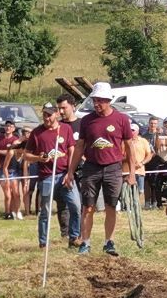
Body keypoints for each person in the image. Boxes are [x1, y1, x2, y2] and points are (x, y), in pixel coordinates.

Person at [64, 81, 137, 256]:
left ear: (108, 100)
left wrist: (132, 173)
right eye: (94, 100)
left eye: (100, 100)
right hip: (91, 168)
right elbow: (80, 147)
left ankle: (109, 242)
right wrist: (70, 171)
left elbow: (129, 147)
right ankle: (85, 243)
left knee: (111, 206)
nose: (96, 104)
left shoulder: (121, 119)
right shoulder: (87, 121)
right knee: (88, 207)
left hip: (113, 168)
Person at [23, 103, 81, 249]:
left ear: (56, 114)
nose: (46, 118)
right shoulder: (37, 132)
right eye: (44, 115)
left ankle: (74, 237)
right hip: (47, 177)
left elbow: (71, 150)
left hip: (65, 175)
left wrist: (70, 172)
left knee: (75, 205)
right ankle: (43, 242)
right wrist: (38, 158)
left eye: (49, 115)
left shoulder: (65, 129)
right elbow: (26, 155)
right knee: (46, 211)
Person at [0, 121, 22, 220]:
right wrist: (1, 151)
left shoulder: (15, 140)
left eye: (10, 126)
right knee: (7, 194)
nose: (8, 128)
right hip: (2, 169)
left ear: (14, 129)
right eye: (6, 126)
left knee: (16, 193)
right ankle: (7, 213)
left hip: (13, 169)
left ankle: (16, 211)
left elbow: (12, 152)